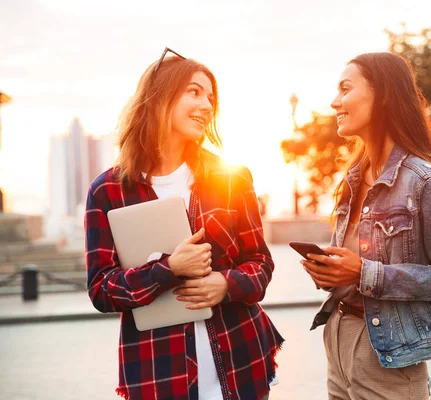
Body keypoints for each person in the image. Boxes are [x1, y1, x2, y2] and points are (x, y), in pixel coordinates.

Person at [85, 48, 283, 400]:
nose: (207, 105)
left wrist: (226, 283)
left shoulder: (232, 178)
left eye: (211, 97)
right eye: (194, 92)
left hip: (241, 366)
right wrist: (168, 269)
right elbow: (101, 289)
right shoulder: (107, 191)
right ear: (158, 96)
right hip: (158, 375)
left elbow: (261, 263)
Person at [301, 52, 431, 400]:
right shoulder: (351, 177)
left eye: (345, 89)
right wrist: (332, 272)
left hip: (389, 352)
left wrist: (365, 273)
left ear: (382, 96)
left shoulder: (423, 181)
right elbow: (355, 267)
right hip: (338, 337)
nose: (335, 102)